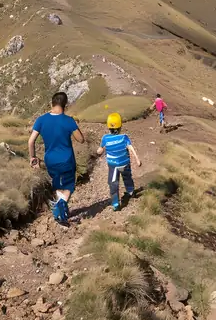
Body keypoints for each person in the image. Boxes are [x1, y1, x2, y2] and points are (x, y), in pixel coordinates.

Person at [29, 92, 85, 225]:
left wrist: (33, 157)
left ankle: (61, 214)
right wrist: (73, 126)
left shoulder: (41, 120)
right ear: (65, 105)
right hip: (67, 160)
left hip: (50, 160)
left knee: (58, 185)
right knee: (69, 186)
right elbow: (81, 139)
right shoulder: (68, 120)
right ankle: (60, 205)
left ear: (51, 104)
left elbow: (31, 141)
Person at [97, 112, 141, 211]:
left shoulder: (105, 138)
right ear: (120, 126)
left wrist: (99, 151)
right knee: (127, 178)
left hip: (113, 166)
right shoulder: (124, 137)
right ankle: (131, 192)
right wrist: (137, 159)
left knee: (113, 183)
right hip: (125, 163)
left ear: (108, 126)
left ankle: (116, 204)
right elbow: (130, 148)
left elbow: (100, 150)